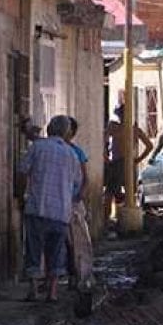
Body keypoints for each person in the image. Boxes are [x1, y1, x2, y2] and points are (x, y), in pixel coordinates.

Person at [18, 115, 81, 302]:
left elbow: (22, 171)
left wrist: (22, 195)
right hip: (60, 211)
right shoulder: (71, 154)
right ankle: (52, 292)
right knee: (56, 251)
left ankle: (33, 290)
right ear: (66, 132)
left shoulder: (37, 148)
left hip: (37, 207)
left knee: (33, 249)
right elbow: (77, 183)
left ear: (49, 129)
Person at [105, 104, 152, 219]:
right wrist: (137, 160)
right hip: (124, 163)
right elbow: (149, 145)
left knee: (111, 194)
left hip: (120, 163)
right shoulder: (121, 128)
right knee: (122, 194)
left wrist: (138, 160)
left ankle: (113, 220)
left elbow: (149, 146)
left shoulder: (119, 128)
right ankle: (118, 218)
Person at [64, 117, 93, 292]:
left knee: (75, 242)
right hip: (64, 201)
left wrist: (79, 196)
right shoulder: (69, 151)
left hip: (72, 202)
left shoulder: (76, 152)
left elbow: (85, 178)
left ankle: (78, 276)